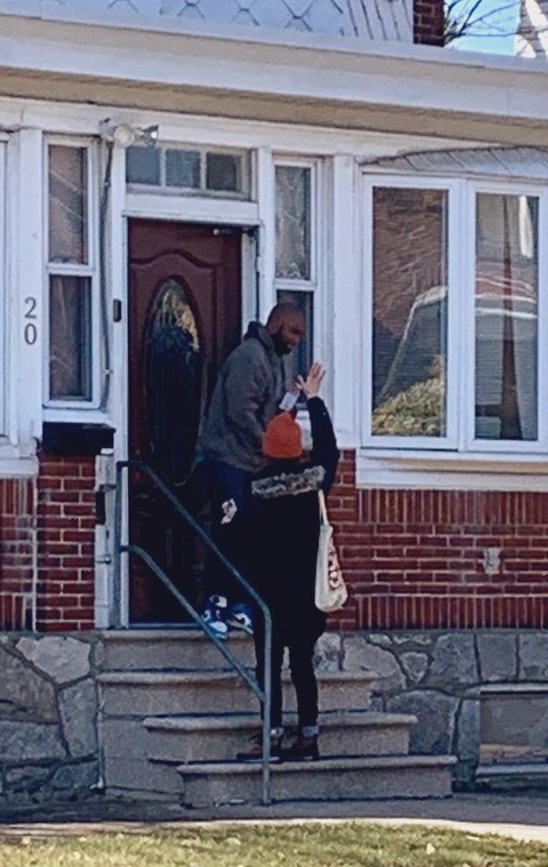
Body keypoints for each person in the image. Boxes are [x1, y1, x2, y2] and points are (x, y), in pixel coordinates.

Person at [238, 361, 339, 762]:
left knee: (268, 666)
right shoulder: (314, 483)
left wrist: (288, 405)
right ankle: (309, 735)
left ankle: (272, 735)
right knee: (302, 665)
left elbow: (242, 540)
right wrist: (312, 400)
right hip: (307, 594)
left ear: (266, 450)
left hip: (269, 595)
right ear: (299, 449)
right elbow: (329, 449)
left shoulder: (255, 489)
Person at [196, 302, 308, 637]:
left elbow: (271, 411)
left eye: (300, 335)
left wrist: (291, 400)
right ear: (276, 323)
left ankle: (238, 603)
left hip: (248, 465)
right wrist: (270, 445)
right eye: (293, 331)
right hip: (226, 461)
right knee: (229, 528)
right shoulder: (249, 357)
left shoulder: (273, 361)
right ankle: (214, 604)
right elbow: (240, 412)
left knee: (248, 533)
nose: (296, 341)